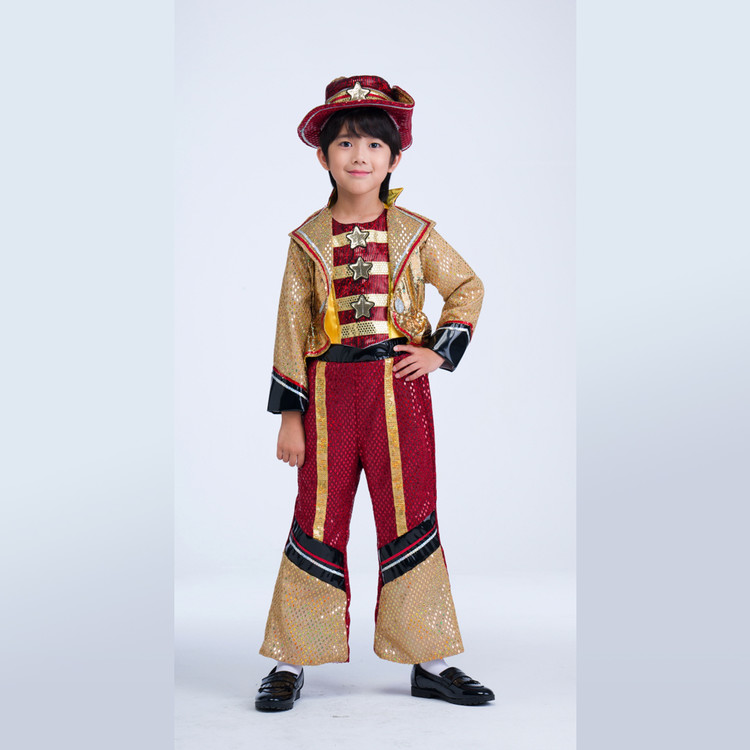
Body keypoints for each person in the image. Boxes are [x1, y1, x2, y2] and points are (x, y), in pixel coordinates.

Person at [255, 75, 494, 711]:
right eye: (345, 143)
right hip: (327, 397)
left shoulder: (415, 233)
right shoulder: (307, 241)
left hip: (399, 394)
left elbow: (467, 286)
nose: (359, 155)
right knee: (317, 517)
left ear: (393, 159)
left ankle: (429, 661)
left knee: (411, 513)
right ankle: (290, 659)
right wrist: (289, 416)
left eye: (373, 145)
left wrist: (438, 351)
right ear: (323, 157)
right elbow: (290, 327)